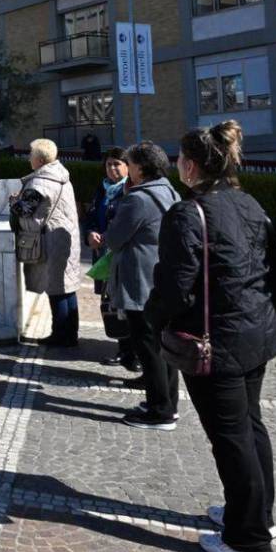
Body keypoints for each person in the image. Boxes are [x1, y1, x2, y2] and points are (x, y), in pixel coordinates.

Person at [145, 121, 276, 552]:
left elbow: (174, 286)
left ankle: (249, 540)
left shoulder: (188, 213)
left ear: (189, 165)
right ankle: (256, 515)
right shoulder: (247, 201)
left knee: (231, 436)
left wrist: (153, 320)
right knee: (250, 426)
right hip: (256, 330)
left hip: (216, 341)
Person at [102, 142, 181, 430]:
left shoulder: (138, 199)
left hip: (140, 280)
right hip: (161, 277)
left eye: (131, 163)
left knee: (148, 345)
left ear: (141, 168)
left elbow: (115, 239)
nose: (128, 168)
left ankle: (160, 411)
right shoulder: (169, 191)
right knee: (163, 346)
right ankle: (167, 402)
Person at [15, 139, 80, 347]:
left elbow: (25, 210)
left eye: (31, 155)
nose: (29, 158)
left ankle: (60, 335)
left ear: (40, 160)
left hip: (50, 240)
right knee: (68, 287)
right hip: (66, 238)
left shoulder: (40, 183)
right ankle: (71, 334)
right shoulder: (62, 176)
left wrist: (14, 202)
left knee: (56, 289)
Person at [86, 148, 139, 372]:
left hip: (125, 257)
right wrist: (90, 233)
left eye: (117, 164)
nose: (112, 168)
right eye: (109, 164)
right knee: (112, 302)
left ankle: (136, 353)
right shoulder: (102, 189)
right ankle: (123, 349)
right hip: (104, 255)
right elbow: (91, 216)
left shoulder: (132, 190)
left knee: (129, 304)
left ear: (128, 166)